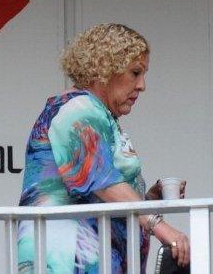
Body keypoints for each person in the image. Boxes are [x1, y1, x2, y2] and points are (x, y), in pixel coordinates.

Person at [17, 23, 189, 273]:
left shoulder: (100, 114)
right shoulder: (77, 110)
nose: (142, 85)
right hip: (67, 258)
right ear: (106, 70)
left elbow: (101, 190)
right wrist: (161, 227)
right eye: (135, 72)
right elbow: (101, 182)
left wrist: (148, 199)